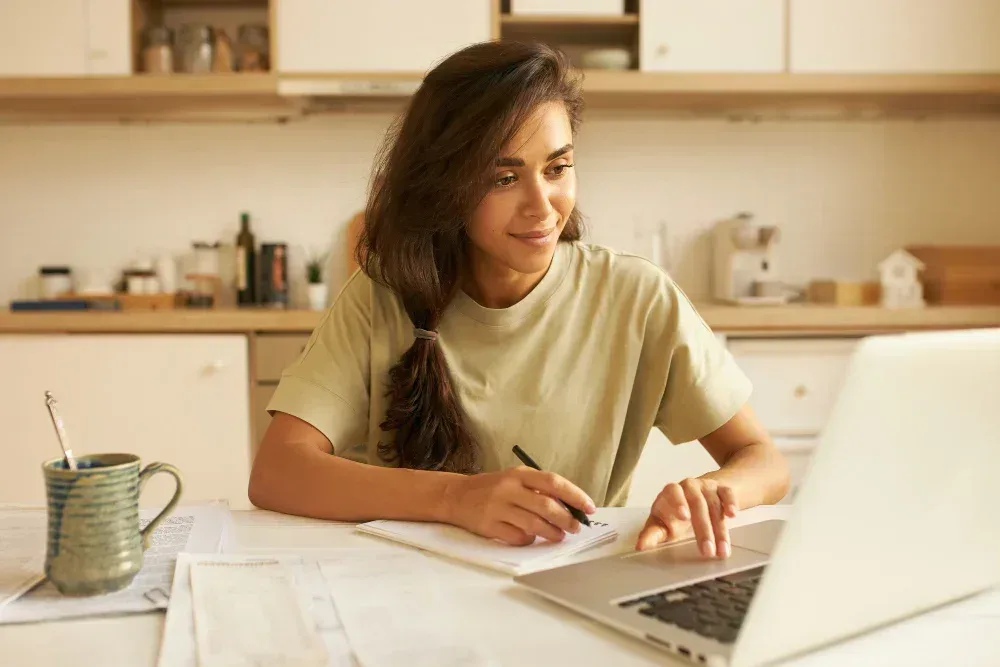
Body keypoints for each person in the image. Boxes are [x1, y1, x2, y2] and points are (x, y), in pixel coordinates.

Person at [248, 40, 789, 559]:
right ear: (445, 187)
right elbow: (278, 471)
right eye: (504, 178)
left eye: (557, 169)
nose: (542, 206)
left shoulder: (637, 298)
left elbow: (763, 461)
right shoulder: (383, 296)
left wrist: (715, 491)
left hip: (565, 585)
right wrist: (456, 498)